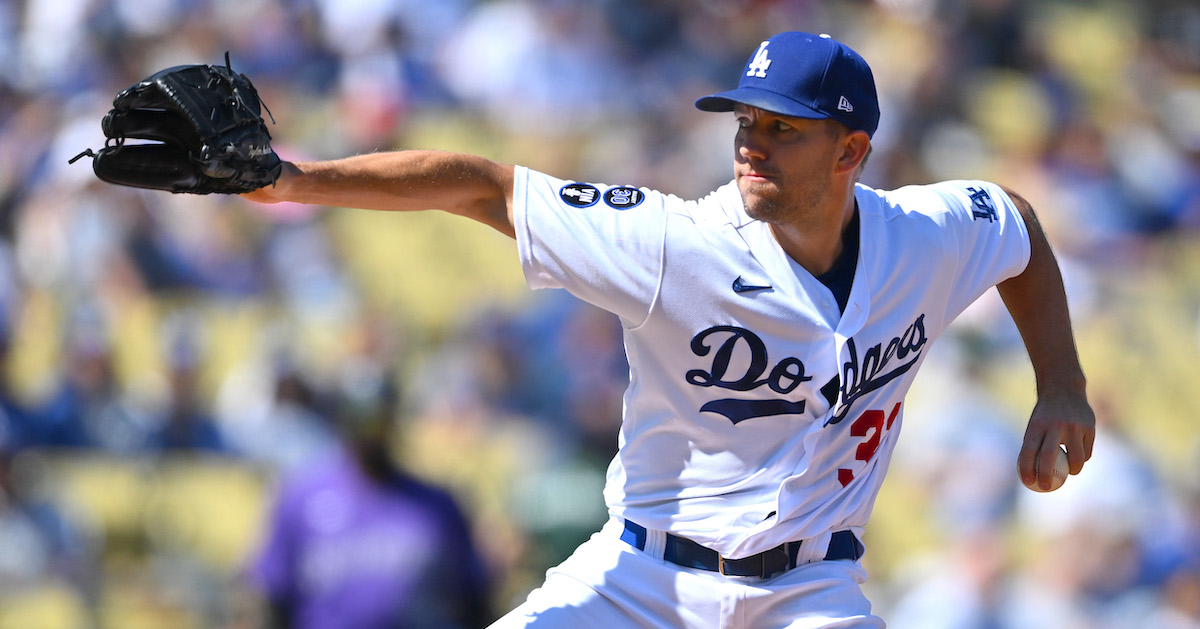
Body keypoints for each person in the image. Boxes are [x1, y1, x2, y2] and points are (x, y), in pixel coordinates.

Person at [244, 31, 1095, 629]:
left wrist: (1062, 381)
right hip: (643, 582)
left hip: (811, 590)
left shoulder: (926, 234)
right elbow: (483, 187)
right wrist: (290, 180)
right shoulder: (674, 243)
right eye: (745, 123)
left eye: (783, 130)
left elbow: (1016, 224)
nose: (751, 146)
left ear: (851, 152)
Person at [248, 365, 493, 629]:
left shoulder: (437, 505)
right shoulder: (301, 498)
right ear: (344, 421)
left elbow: (472, 595)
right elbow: (276, 595)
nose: (371, 431)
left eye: (379, 419)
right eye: (361, 419)